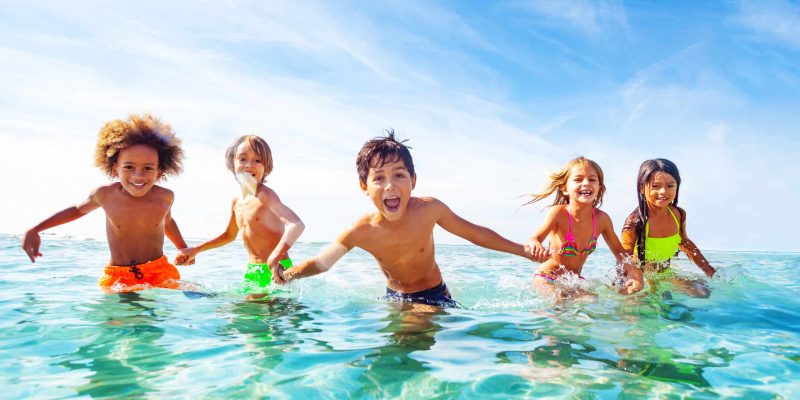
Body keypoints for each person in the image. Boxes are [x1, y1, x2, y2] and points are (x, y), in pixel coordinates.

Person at [277, 130, 532, 307]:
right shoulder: (360, 230)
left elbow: (474, 233)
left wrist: (523, 251)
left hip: (435, 295)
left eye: (399, 175)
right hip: (395, 297)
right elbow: (322, 263)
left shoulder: (429, 209)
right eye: (378, 178)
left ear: (413, 180)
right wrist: (287, 275)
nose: (390, 186)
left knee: (419, 335)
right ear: (363, 186)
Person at [21, 113, 190, 292]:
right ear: (115, 167)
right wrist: (36, 229)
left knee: (189, 301)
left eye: (148, 168)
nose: (138, 175)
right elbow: (77, 210)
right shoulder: (105, 195)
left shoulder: (165, 197)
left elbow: (167, 222)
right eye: (129, 167)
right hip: (119, 276)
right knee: (118, 318)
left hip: (159, 270)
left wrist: (183, 248)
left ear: (159, 171)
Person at [175, 135, 304, 295]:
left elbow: (296, 225)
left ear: (266, 167)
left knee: (251, 313)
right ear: (232, 164)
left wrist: (275, 258)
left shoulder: (265, 196)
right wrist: (196, 250)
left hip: (277, 269)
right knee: (244, 315)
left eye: (258, 160)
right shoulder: (237, 201)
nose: (249, 165)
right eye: (243, 159)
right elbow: (229, 235)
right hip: (252, 271)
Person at [526, 157, 643, 299]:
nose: (586, 183)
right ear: (564, 188)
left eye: (592, 180)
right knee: (559, 301)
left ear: (599, 187)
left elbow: (619, 252)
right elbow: (535, 238)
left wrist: (635, 273)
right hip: (547, 278)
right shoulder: (558, 213)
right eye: (578, 179)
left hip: (574, 281)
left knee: (592, 301)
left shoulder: (602, 219)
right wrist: (535, 244)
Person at [620, 158, 716, 298]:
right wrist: (628, 284)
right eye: (656, 186)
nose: (663, 192)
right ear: (642, 188)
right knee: (638, 310)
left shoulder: (678, 214)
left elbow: (685, 243)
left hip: (664, 274)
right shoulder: (635, 223)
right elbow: (623, 258)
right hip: (640, 278)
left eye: (670, 186)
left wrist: (708, 270)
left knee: (703, 292)